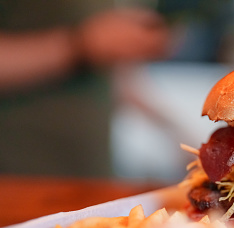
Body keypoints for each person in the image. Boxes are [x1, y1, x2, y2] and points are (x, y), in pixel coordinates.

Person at [0, 1, 169, 177]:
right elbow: (93, 42)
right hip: (19, 176)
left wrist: (171, 130)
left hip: (90, 173)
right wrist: (78, 45)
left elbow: (111, 73)